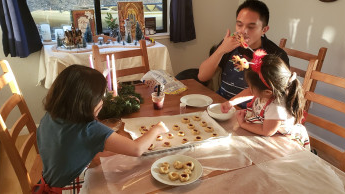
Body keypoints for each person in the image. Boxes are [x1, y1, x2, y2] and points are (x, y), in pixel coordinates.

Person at [34, 65, 168, 192]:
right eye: (99, 98)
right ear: (85, 104)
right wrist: (157, 129)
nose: (102, 102)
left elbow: (74, 150)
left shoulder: (50, 116)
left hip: (49, 182)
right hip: (68, 189)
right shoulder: (89, 129)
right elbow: (136, 149)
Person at [198, 0, 289, 106]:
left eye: (251, 27)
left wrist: (231, 104)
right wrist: (221, 49)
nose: (243, 31)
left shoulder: (276, 56)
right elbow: (202, 76)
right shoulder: (228, 44)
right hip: (221, 103)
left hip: (252, 113)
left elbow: (274, 96)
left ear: (264, 29)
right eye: (239, 25)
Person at [224, 50, 309, 149]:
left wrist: (242, 123)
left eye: (251, 87)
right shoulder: (269, 90)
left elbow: (267, 131)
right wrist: (232, 102)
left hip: (281, 142)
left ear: (267, 92)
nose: (249, 89)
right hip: (266, 128)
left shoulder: (276, 108)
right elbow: (251, 92)